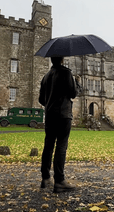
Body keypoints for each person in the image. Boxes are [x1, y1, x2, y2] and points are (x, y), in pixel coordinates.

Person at [39, 57, 81, 193]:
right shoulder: (66, 73)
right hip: (63, 114)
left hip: (50, 115)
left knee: (48, 146)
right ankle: (60, 181)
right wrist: (77, 83)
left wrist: (51, 102)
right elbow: (73, 94)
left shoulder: (46, 77)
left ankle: (45, 178)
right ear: (62, 59)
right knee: (61, 146)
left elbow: (41, 99)